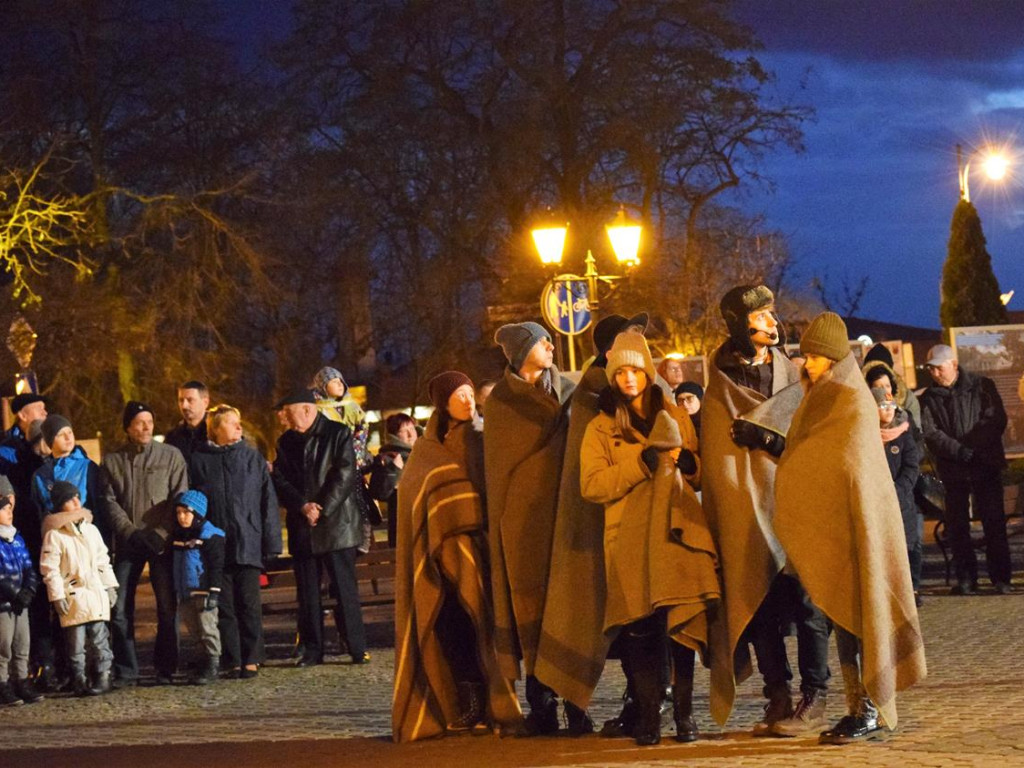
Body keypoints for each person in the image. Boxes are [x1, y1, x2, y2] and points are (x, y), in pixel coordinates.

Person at [775, 312, 927, 744]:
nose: (808, 364)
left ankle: (872, 709)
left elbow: (847, 464)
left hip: (862, 530)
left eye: (816, 357)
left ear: (834, 358)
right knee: (845, 620)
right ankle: (858, 706)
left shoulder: (849, 399)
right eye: (806, 355)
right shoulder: (821, 397)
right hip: (837, 529)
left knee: (864, 619)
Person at [701, 285, 832, 737]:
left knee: (810, 600)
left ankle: (816, 695)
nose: (773, 323)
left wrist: (770, 440)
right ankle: (778, 696)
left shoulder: (793, 376)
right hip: (746, 511)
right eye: (762, 316)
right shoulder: (716, 382)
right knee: (758, 603)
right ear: (741, 322)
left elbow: (815, 436)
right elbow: (716, 456)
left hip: (795, 502)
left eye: (772, 314)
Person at [580, 331, 719, 746]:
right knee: (640, 633)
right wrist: (641, 464)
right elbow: (592, 485)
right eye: (619, 371)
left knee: (679, 624)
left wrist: (690, 463)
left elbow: (696, 472)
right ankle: (647, 718)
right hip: (628, 542)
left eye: (634, 369)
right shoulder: (602, 426)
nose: (627, 378)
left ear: (647, 371)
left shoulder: (675, 415)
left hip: (674, 534)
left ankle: (685, 716)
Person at [533, 311, 648, 738]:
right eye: (630, 336)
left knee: (641, 618)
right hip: (604, 523)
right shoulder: (597, 390)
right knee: (621, 618)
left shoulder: (632, 383)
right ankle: (638, 703)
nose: (640, 342)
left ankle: (647, 702)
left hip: (638, 518)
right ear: (608, 349)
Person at [392, 372, 522, 742]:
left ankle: (495, 702)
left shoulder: (485, 439)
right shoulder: (425, 450)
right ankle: (468, 701)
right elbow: (413, 497)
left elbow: (495, 488)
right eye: (459, 395)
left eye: (470, 393)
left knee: (481, 623)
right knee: (448, 627)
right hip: (436, 554)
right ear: (443, 403)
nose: (468, 401)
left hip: (480, 549)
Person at [484, 321, 575, 734]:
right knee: (532, 611)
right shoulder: (502, 403)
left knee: (571, 609)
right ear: (522, 352)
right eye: (542, 341)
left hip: (568, 513)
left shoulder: (568, 391)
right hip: (522, 526)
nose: (551, 345)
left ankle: (577, 704)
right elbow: (501, 470)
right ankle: (543, 706)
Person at [271, 391, 369, 667]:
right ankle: (312, 649)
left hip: (337, 524)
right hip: (304, 526)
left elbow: (345, 473)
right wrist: (303, 506)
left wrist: (322, 508)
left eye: (287, 411)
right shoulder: (286, 441)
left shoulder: (337, 433)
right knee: (308, 594)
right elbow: (280, 478)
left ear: (305, 409)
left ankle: (357, 647)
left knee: (344, 589)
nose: (283, 417)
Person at [189, 404, 282, 678]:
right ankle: (233, 658)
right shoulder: (200, 461)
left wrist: (271, 541)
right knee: (225, 606)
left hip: (248, 540)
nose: (239, 427)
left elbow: (268, 502)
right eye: (231, 422)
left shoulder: (252, 459)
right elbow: (195, 502)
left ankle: (252, 657)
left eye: (238, 422)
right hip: (216, 545)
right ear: (215, 429)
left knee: (250, 604)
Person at [102, 401, 188, 687]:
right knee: (120, 605)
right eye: (139, 422)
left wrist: (161, 532)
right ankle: (126, 669)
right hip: (129, 542)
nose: (146, 427)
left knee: (167, 606)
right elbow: (109, 501)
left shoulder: (171, 456)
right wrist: (129, 532)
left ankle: (166, 667)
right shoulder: (113, 461)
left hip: (160, 542)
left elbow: (179, 497)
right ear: (127, 427)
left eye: (149, 421)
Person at [919, 344, 1012, 595]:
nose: (935, 373)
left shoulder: (982, 386)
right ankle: (966, 579)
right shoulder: (929, 397)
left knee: (994, 522)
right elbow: (931, 432)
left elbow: (995, 420)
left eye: (939, 367)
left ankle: (1001, 577)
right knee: (957, 526)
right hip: (954, 470)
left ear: (954, 365)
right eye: (931, 369)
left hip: (985, 464)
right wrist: (959, 451)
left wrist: (972, 447)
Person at [39, 481, 118, 696]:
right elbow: (50, 569)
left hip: (94, 593)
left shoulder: (90, 529)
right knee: (75, 643)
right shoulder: (54, 535)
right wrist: (56, 596)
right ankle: (79, 679)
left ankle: (103, 675)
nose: (76, 501)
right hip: (73, 596)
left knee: (100, 638)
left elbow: (102, 560)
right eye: (69, 499)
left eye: (77, 496)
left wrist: (110, 585)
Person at [0, 398, 55, 689]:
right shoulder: (6, 449)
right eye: (39, 408)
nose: (45, 413)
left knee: (54, 598)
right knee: (27, 601)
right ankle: (30, 666)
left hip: (51, 533)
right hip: (19, 536)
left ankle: (53, 664)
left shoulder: (54, 441)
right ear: (22, 414)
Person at [873, 387, 924, 604]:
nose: (888, 410)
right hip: (876, 503)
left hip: (902, 503)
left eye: (890, 405)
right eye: (882, 406)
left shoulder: (903, 434)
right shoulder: (866, 436)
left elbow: (912, 466)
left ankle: (911, 588)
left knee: (909, 546)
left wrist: (899, 490)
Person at [169, 490, 225, 686]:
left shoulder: (210, 536)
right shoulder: (178, 536)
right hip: (185, 590)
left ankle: (213, 662)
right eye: (178, 513)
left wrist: (214, 591)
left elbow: (216, 566)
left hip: (202, 590)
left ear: (198, 514)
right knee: (193, 629)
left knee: (207, 628)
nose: (181, 517)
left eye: (186, 512)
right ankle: (201, 661)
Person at [0, 476, 43, 706]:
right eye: (4, 508)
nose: (10, 512)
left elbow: (28, 567)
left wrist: (29, 589)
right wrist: (13, 594)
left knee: (21, 643)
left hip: (20, 603)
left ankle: (21, 680)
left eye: (10, 507)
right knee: (3, 646)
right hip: (4, 604)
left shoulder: (16, 537)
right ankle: (3, 684)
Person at [32, 414, 107, 543]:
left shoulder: (87, 466)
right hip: (56, 541)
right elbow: (39, 512)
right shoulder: (40, 475)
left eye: (70, 432)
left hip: (86, 537)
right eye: (61, 434)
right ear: (50, 441)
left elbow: (99, 506)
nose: (68, 438)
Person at [368, 413, 418, 548]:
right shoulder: (387, 458)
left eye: (412, 429)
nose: (410, 434)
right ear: (394, 435)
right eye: (403, 431)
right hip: (403, 524)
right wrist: (393, 470)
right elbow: (379, 493)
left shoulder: (423, 453)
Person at [165, 381, 210, 469]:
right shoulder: (173, 437)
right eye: (181, 400)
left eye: (190, 400)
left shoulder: (218, 433)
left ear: (205, 402)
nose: (184, 406)